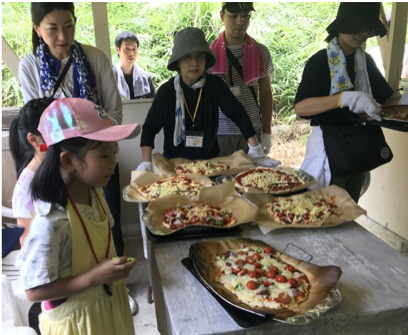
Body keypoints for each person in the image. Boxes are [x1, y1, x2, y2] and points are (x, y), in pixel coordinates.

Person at [18, 2, 137, 314]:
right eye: (52, 28)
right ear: (37, 29)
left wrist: (87, 136)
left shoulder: (95, 58)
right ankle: (92, 281)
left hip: (93, 153)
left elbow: (113, 112)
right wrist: (77, 139)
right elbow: (40, 122)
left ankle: (115, 284)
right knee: (67, 232)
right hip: (67, 159)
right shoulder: (30, 66)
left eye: (68, 25)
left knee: (107, 220)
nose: (62, 36)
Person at [15, 98, 140, 335]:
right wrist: (95, 277)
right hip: (77, 324)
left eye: (115, 152)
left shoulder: (95, 193)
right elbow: (33, 291)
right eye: (105, 156)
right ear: (68, 160)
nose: (113, 163)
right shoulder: (51, 221)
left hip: (107, 310)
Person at [294, 2, 402, 203]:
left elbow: (385, 99)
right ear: (343, 25)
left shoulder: (365, 61)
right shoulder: (320, 61)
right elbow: (301, 107)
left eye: (368, 28)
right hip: (330, 146)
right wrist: (342, 98)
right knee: (324, 208)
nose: (364, 33)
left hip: (358, 147)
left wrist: (404, 99)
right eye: (358, 26)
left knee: (349, 209)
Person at [136, 27, 280, 171]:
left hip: (209, 165)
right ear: (178, 62)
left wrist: (255, 149)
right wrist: (146, 162)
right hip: (174, 166)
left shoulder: (214, 85)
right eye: (187, 56)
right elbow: (150, 128)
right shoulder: (167, 91)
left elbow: (238, 114)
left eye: (200, 56)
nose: (194, 63)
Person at [211, 2, 275, 157]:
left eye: (246, 16)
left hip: (252, 130)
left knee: (252, 178)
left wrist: (267, 132)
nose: (240, 22)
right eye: (233, 16)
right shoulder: (208, 55)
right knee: (222, 179)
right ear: (222, 16)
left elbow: (266, 94)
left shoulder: (261, 52)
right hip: (220, 132)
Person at [10, 98, 55, 246]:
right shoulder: (26, 187)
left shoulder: (58, 169)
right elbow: (28, 244)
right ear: (34, 140)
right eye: (56, 131)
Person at [113, 31, 156, 100]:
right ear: (117, 50)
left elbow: (153, 104)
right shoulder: (111, 77)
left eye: (134, 49)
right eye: (127, 49)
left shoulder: (145, 77)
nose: (131, 53)